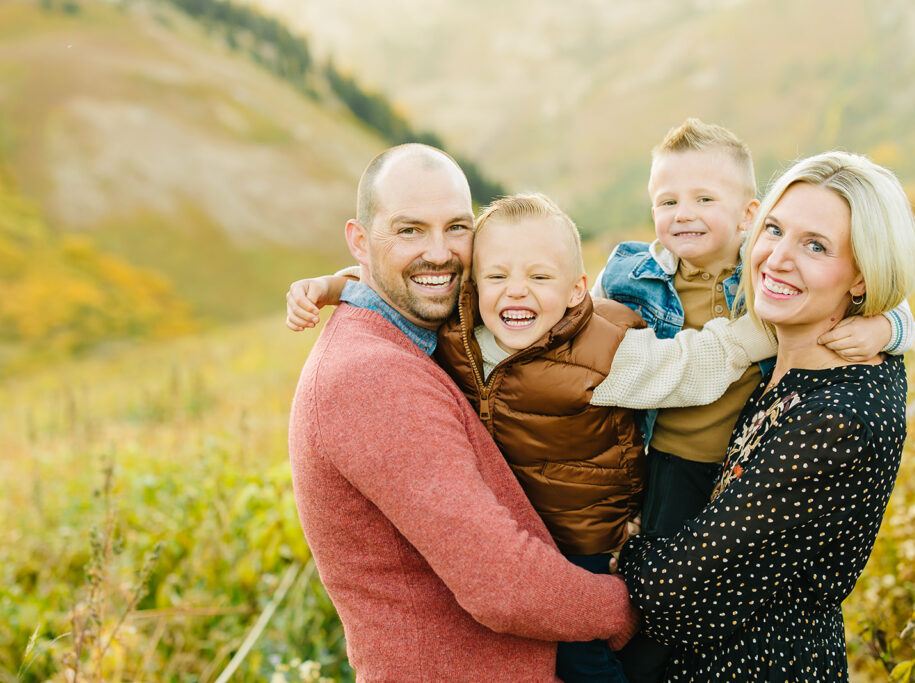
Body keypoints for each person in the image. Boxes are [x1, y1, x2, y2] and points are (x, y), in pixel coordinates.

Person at [288, 143, 776, 681]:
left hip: (576, 556)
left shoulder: (451, 323)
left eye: (456, 227)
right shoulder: (372, 376)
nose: (439, 252)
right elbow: (500, 585)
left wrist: (871, 324)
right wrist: (630, 604)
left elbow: (685, 363)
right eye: (409, 230)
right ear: (360, 241)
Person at [590, 120, 915, 679]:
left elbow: (680, 590)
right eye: (775, 232)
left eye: (814, 245)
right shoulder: (793, 354)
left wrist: (624, 548)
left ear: (862, 275)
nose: (777, 259)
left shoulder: (837, 411)